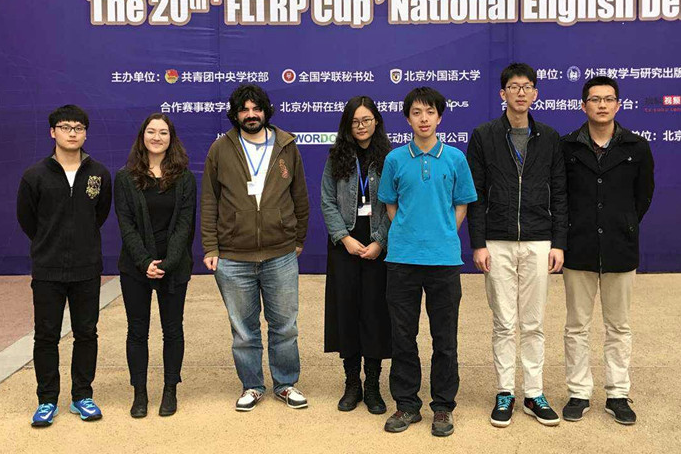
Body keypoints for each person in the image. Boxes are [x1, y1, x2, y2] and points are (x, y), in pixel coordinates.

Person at [466, 62, 568, 428]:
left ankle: (534, 393)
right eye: (514, 86)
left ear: (536, 93)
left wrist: (558, 242)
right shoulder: (484, 135)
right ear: (502, 93)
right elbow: (475, 194)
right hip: (497, 240)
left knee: (534, 322)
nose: (521, 92)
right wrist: (478, 243)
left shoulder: (550, 138)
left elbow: (561, 193)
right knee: (504, 322)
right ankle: (505, 392)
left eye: (527, 86)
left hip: (540, 240)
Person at [201, 84, 310, 411]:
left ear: (266, 111)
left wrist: (298, 239)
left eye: (256, 108)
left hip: (280, 253)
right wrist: (211, 247)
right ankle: (251, 385)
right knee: (244, 331)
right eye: (244, 110)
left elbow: (300, 197)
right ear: (235, 114)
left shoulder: (286, 145)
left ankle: (286, 383)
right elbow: (210, 201)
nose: (251, 115)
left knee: (285, 327)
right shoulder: (220, 149)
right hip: (233, 256)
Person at [377, 87, 477, 438]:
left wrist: (444, 232)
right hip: (402, 259)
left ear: (439, 117)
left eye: (430, 112)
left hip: (443, 260)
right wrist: (408, 232)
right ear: (407, 118)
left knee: (444, 338)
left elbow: (462, 204)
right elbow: (390, 204)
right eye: (417, 112)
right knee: (403, 336)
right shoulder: (394, 159)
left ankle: (443, 406)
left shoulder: (455, 158)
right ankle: (406, 404)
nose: (423, 119)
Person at [560, 76, 654, 425]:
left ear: (618, 105)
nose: (602, 105)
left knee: (619, 326)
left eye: (608, 99)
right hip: (578, 246)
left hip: (620, 247)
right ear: (583, 105)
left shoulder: (637, 146)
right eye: (595, 99)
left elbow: (643, 196)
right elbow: (560, 196)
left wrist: (624, 224)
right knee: (576, 326)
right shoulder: (568, 147)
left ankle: (617, 393)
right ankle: (578, 392)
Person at [16, 104, 112, 427]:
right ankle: (47, 400)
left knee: (86, 333)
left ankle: (82, 395)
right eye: (66, 127)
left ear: (85, 133)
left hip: (86, 268)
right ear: (52, 132)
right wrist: (50, 244)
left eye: (79, 128)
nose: (73, 133)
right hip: (48, 269)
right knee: (46, 336)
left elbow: (99, 214)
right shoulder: (35, 176)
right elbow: (27, 219)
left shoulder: (99, 174)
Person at [114, 113, 196, 418]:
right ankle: (139, 393)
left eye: (163, 132)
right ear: (142, 136)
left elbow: (185, 225)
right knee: (137, 331)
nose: (157, 137)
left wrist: (168, 262)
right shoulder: (125, 177)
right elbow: (126, 224)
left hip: (174, 266)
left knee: (173, 330)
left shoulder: (185, 178)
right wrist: (145, 261)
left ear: (171, 138)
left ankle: (170, 390)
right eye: (151, 131)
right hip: (135, 267)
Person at [321, 96, 392, 415]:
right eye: (355, 121)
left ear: (376, 121)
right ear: (347, 125)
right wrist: (344, 237)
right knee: (346, 314)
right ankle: (352, 384)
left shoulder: (390, 157)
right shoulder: (336, 157)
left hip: (378, 248)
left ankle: (373, 386)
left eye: (366, 120)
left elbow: (396, 204)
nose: (361, 126)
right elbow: (327, 201)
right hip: (345, 248)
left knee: (375, 315)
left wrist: (379, 241)